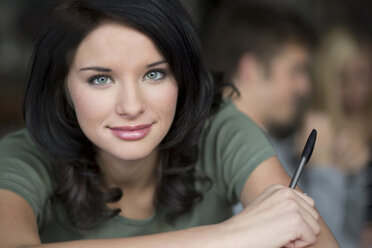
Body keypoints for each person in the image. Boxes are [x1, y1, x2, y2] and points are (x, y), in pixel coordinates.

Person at [0, 0, 338, 247]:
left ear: (183, 79)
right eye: (101, 79)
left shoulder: (217, 128)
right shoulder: (24, 155)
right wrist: (232, 235)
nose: (131, 107)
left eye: (154, 74)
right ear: (62, 88)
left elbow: (305, 232)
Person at [203, 1, 313, 179]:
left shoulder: (251, 139)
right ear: (251, 70)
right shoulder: (235, 147)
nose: (305, 87)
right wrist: (325, 167)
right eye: (296, 70)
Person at [296, 26, 372, 248]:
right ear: (325, 80)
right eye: (342, 77)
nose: (354, 88)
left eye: (362, 75)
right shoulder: (312, 137)